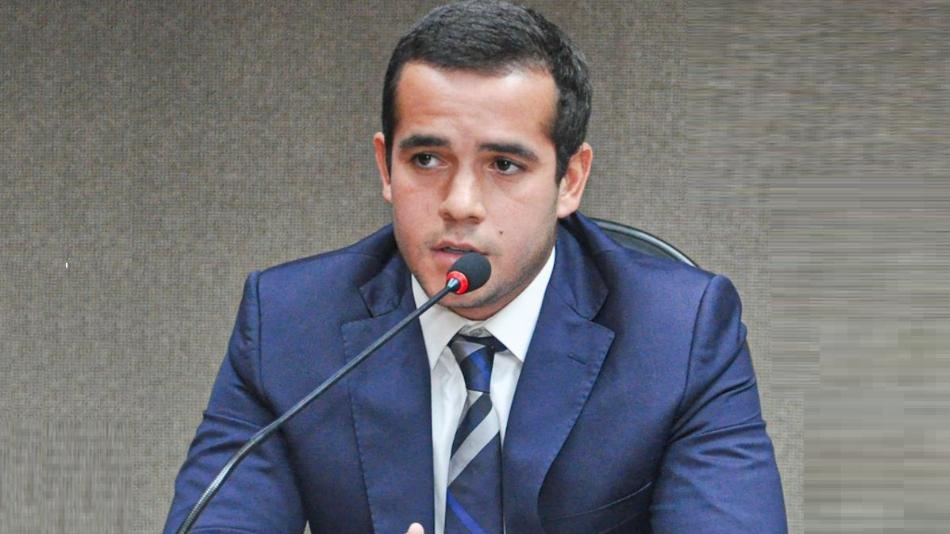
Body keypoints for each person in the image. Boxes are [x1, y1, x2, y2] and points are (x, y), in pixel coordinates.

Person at [164, 1, 787, 532]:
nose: (460, 204)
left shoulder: (679, 333)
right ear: (385, 167)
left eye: (504, 166)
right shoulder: (289, 324)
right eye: (427, 160)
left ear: (570, 180)